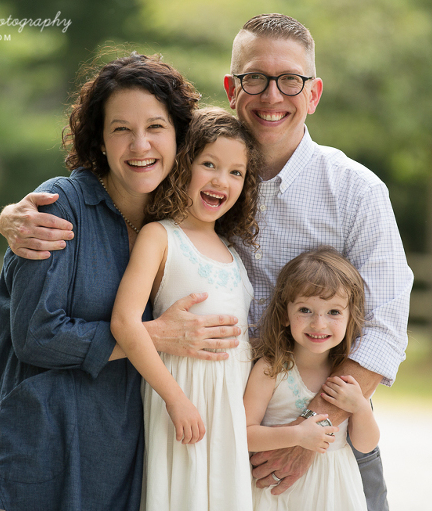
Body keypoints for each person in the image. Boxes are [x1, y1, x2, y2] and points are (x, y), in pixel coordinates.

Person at [0, 13, 413, 511]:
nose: (272, 95)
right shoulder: (190, 182)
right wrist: (11, 216)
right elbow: (126, 165)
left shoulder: (355, 191)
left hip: (325, 438)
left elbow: (385, 328)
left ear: (314, 93)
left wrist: (309, 432)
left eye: (290, 80)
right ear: (231, 89)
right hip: (213, 424)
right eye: (254, 78)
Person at [0, 53, 247, 511]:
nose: (140, 145)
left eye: (155, 127)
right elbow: (36, 335)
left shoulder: (173, 228)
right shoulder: (60, 207)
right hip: (38, 456)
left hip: (120, 463)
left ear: (180, 136)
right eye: (121, 129)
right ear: (99, 138)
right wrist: (153, 335)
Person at [110, 107, 261, 510]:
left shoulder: (233, 253)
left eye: (235, 172)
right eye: (208, 164)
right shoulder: (160, 236)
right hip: (180, 401)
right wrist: (176, 400)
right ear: (183, 165)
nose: (221, 180)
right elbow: (125, 322)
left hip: (228, 413)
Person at [244, 247, 380, 510]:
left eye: (334, 312)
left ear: (350, 317)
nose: (319, 323)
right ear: (285, 314)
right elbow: (244, 434)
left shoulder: (347, 373)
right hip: (279, 494)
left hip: (334, 490)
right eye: (305, 310)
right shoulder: (271, 369)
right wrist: (297, 435)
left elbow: (365, 445)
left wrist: (361, 407)